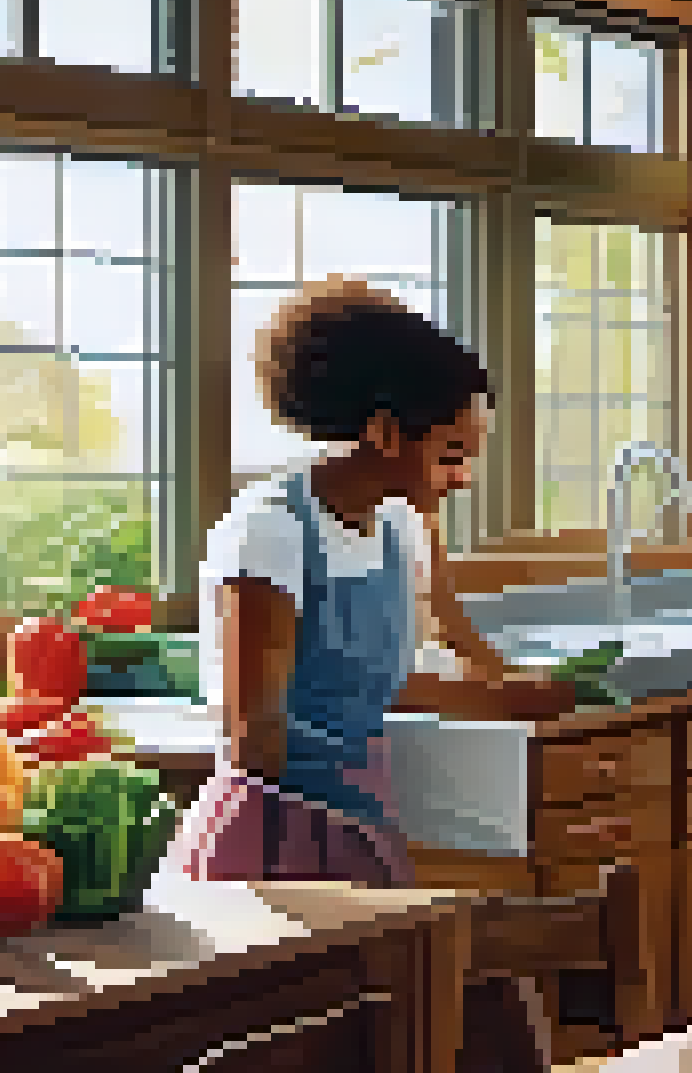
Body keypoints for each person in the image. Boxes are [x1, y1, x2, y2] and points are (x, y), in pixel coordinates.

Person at [167, 278, 578, 1070]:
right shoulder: (268, 530)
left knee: (403, 1033)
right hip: (276, 835)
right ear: (388, 432)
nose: (463, 477)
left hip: (362, 824)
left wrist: (510, 696)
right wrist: (293, 869)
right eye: (452, 453)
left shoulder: (400, 526)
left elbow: (379, 681)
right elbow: (255, 729)